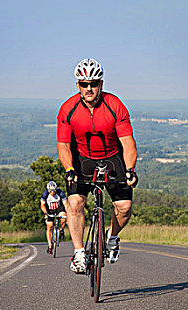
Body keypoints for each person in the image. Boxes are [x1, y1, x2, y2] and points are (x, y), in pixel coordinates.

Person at [57, 58, 138, 273]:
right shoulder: (68, 109)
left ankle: (112, 238)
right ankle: (79, 254)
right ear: (78, 86)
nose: (89, 88)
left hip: (112, 157)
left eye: (93, 83)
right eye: (84, 84)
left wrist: (130, 170)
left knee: (124, 207)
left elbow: (128, 143)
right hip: (82, 159)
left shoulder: (115, 105)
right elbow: (64, 145)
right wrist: (69, 169)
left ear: (101, 84)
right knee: (74, 203)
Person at [40, 181, 68, 254]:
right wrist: (46, 213)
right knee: (49, 226)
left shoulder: (60, 193)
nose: (52, 193)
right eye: (50, 191)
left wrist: (67, 213)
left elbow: (65, 204)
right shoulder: (45, 194)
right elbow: (42, 205)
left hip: (58, 208)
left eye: (54, 191)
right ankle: (50, 245)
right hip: (49, 209)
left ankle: (61, 229)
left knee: (63, 217)